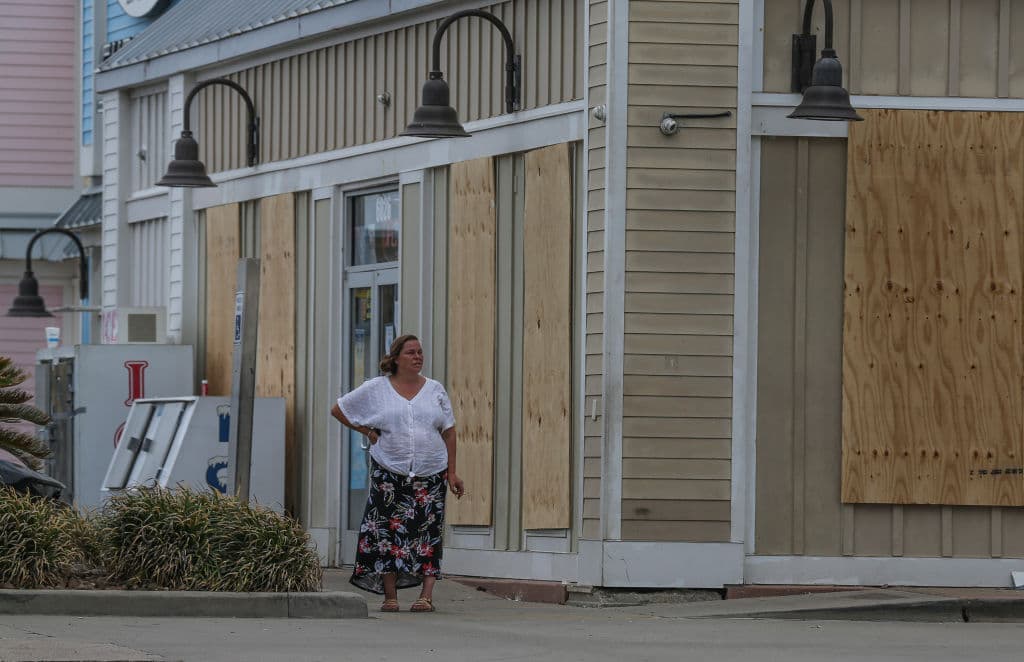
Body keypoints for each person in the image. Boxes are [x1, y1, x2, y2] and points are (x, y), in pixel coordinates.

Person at [330, 334, 464, 613]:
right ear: (396, 358)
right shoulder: (376, 388)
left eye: (420, 353)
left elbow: (449, 432)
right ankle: (390, 596)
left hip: (431, 472)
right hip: (389, 472)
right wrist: (366, 431)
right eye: (411, 353)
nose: (418, 357)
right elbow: (339, 409)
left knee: (428, 532)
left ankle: (425, 596)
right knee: (385, 533)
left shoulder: (435, 389)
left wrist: (452, 473)